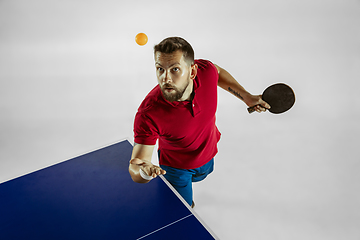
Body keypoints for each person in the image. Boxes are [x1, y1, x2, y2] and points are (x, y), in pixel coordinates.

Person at [128, 37, 269, 207]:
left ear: (193, 72)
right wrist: (143, 171)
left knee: (202, 175)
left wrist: (246, 97)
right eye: (160, 69)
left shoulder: (206, 72)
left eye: (174, 69)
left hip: (208, 154)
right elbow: (136, 165)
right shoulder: (149, 113)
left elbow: (218, 72)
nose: (165, 78)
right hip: (176, 168)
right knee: (182, 210)